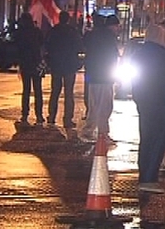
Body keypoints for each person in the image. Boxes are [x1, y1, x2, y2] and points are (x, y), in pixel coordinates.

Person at [132, 24, 165, 194]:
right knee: (158, 140)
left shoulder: (139, 53)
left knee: (146, 138)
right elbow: (164, 80)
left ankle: (144, 174)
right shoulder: (160, 54)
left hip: (144, 101)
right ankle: (149, 178)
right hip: (158, 102)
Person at [80, 15, 120, 143]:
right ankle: (102, 133)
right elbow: (112, 57)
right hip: (105, 76)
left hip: (93, 75)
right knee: (105, 106)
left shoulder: (93, 35)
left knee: (94, 105)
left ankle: (88, 130)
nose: (118, 29)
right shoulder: (109, 38)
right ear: (111, 26)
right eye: (116, 26)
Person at [45, 11, 83, 128]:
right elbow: (79, 47)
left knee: (55, 92)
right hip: (69, 66)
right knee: (68, 93)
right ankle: (67, 119)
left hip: (56, 65)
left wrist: (50, 61)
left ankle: (51, 116)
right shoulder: (72, 32)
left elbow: (47, 46)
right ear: (67, 19)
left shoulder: (53, 31)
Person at [13, 12, 44, 125]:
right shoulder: (36, 32)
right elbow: (42, 43)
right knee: (38, 90)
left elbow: (16, 46)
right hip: (36, 64)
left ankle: (25, 114)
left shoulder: (20, 33)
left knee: (26, 90)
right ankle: (39, 115)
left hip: (25, 64)